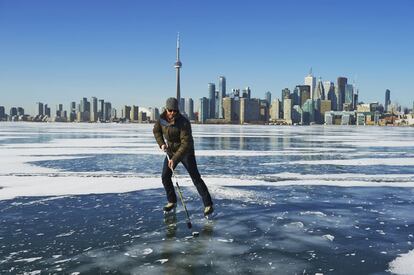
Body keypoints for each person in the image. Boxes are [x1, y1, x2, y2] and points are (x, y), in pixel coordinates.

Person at [153, 97, 214, 216]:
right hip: (170, 151)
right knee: (165, 176)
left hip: (186, 152)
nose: (172, 113)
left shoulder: (183, 122)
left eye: (175, 111)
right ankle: (172, 201)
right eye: (170, 110)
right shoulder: (161, 120)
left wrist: (175, 159)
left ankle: (208, 205)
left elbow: (185, 143)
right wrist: (162, 144)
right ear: (166, 109)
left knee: (195, 177)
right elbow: (156, 132)